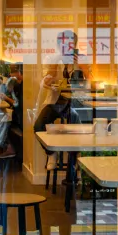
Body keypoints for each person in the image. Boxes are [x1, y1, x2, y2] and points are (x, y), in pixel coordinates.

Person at [33, 30, 88, 171]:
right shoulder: (52, 59)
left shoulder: (82, 59)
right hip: (57, 101)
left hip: (77, 101)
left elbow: (90, 82)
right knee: (38, 125)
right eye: (63, 44)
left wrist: (81, 67)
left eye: (70, 43)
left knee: (76, 127)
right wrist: (51, 72)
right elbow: (44, 83)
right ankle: (52, 153)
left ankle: (75, 157)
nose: (66, 47)